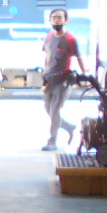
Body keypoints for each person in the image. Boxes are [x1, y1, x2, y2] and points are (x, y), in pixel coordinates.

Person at [41, 9, 85, 151]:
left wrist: (86, 75)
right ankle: (69, 127)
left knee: (55, 110)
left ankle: (52, 140)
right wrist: (44, 73)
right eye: (54, 18)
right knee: (48, 109)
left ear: (66, 20)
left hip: (63, 80)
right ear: (50, 20)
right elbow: (47, 56)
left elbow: (79, 57)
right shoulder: (49, 37)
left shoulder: (70, 39)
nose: (56, 20)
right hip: (49, 79)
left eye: (59, 17)